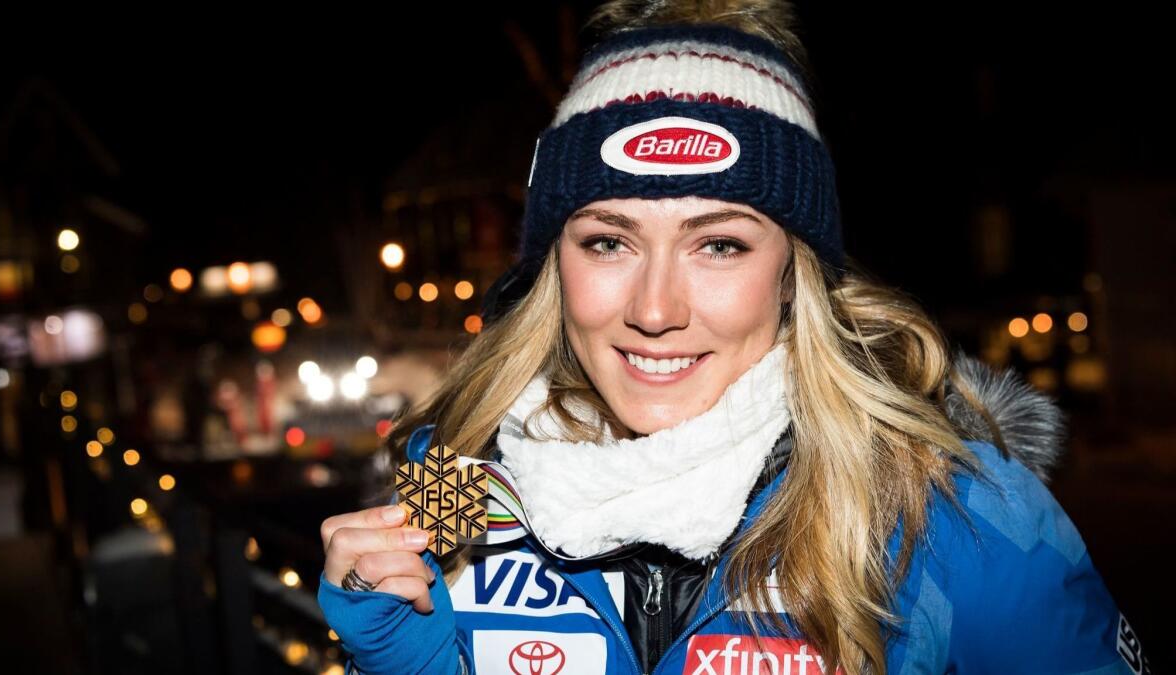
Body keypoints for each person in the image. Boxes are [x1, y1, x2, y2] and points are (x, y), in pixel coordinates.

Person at [317, 1, 1150, 673]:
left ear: (795, 272)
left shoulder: (947, 508)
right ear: (553, 264)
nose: (655, 307)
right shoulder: (458, 470)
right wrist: (400, 652)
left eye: (719, 244)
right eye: (609, 240)